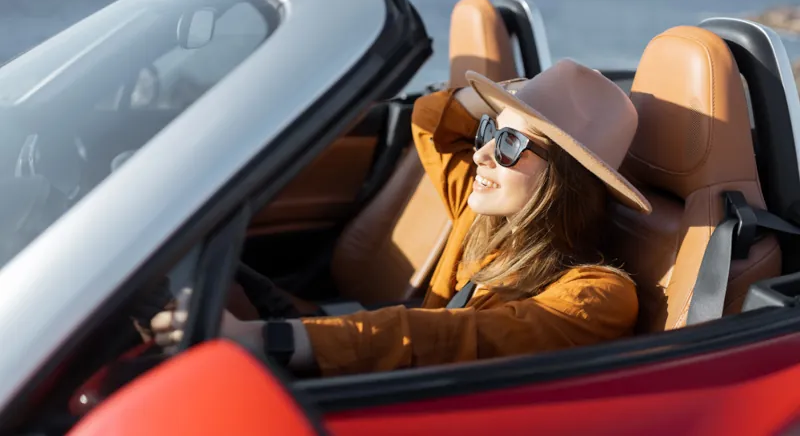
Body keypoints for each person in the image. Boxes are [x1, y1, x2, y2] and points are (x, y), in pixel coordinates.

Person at [153, 59, 652, 377]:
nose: (481, 154)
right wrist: (512, 100)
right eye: (487, 131)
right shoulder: (486, 220)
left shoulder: (598, 296)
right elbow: (432, 120)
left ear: (566, 177)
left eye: (508, 144)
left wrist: (269, 339)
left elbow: (453, 339)